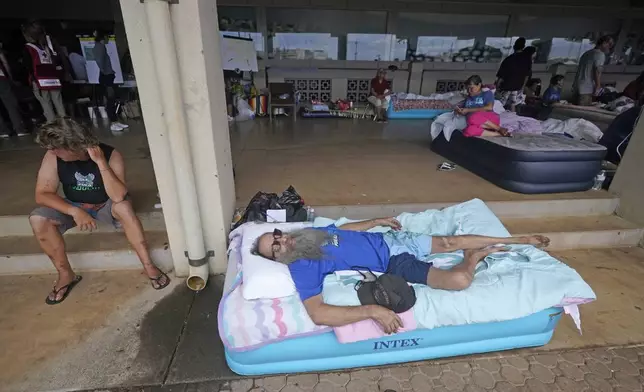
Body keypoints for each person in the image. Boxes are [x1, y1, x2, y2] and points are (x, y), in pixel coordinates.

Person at [254, 218, 550, 333]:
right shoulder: (302, 267)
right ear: (278, 259)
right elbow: (318, 313)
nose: (282, 241)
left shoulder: (308, 233)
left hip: (390, 239)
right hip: (394, 262)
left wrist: (376, 221)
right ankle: (475, 258)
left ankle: (518, 240)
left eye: (276, 235)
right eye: (275, 248)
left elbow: (345, 232)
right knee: (459, 281)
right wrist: (373, 310)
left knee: (449, 242)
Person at [30, 118, 170, 305]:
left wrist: (100, 162)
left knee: (124, 207)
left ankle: (148, 265)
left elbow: (118, 195)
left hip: (106, 204)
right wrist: (74, 210)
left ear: (72, 146)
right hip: (74, 204)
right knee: (38, 218)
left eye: (57, 148)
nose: (52, 151)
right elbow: (42, 194)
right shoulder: (52, 156)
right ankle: (66, 274)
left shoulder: (111, 155)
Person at [22, 20, 66, 123]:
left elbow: (27, 65)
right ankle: (65, 124)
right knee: (59, 102)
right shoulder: (46, 46)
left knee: (45, 103)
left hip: (39, 79)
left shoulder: (28, 48)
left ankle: (52, 125)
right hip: (53, 78)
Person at [93, 30, 128, 132]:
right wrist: (105, 71)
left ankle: (116, 121)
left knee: (112, 99)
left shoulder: (101, 47)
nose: (108, 39)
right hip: (106, 77)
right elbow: (100, 61)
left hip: (108, 75)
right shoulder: (99, 47)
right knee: (109, 99)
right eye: (107, 37)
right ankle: (113, 122)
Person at [573, 35, 614, 106]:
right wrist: (598, 86)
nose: (610, 48)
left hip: (577, 86)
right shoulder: (600, 54)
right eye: (609, 45)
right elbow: (597, 71)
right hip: (586, 88)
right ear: (604, 43)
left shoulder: (586, 53)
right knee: (583, 112)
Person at [495, 38, 533, 111]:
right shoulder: (526, 60)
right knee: (513, 104)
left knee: (500, 105)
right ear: (523, 47)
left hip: (507, 86)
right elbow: (527, 75)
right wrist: (522, 87)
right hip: (518, 86)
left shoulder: (509, 59)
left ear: (514, 47)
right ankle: (513, 117)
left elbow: (501, 76)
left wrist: (497, 88)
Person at [0, 41, 28, 138]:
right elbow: (5, 62)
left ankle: (3, 131)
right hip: (1, 79)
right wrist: (10, 78)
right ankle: (19, 129)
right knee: (11, 104)